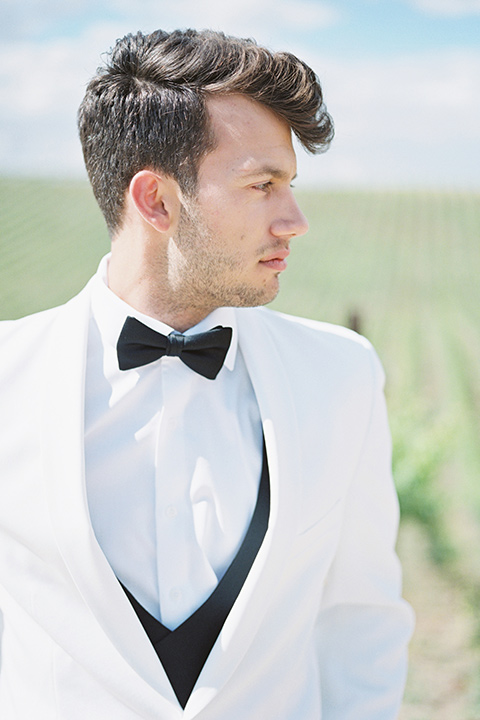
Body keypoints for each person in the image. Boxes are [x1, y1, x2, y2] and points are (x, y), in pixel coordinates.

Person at [0, 28, 414, 719]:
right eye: (263, 185)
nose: (295, 220)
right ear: (157, 201)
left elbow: (361, 623)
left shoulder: (342, 376)